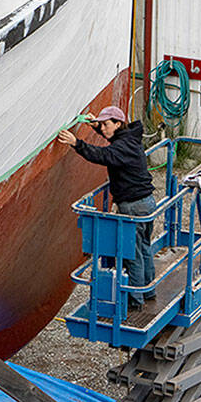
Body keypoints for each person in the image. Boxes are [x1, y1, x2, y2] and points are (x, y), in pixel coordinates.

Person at [56, 106, 156, 309]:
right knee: (144, 247)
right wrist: (97, 127)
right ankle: (148, 291)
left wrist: (76, 143)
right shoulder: (130, 138)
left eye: (106, 124)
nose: (103, 128)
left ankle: (135, 302)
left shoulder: (122, 147)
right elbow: (114, 144)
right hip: (146, 203)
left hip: (133, 207)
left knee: (132, 254)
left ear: (118, 124)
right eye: (101, 124)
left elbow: (103, 155)